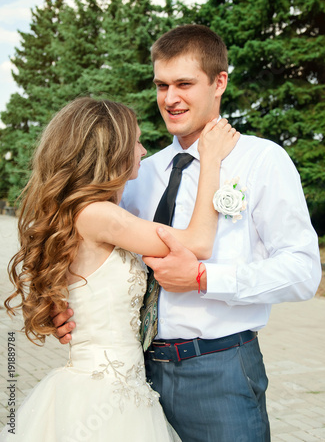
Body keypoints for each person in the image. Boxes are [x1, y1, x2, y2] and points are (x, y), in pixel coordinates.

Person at [54, 25, 322, 442]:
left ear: (220, 82)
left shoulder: (263, 161)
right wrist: (67, 306)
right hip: (134, 374)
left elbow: (305, 272)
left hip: (219, 372)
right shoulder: (139, 171)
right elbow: (96, 251)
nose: (170, 98)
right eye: (161, 84)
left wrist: (204, 279)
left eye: (184, 83)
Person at [1, 97, 239, 442]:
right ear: (111, 152)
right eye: (136, 141)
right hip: (107, 395)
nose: (142, 151)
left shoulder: (86, 213)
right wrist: (211, 160)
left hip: (114, 383)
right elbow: (199, 243)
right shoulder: (101, 216)